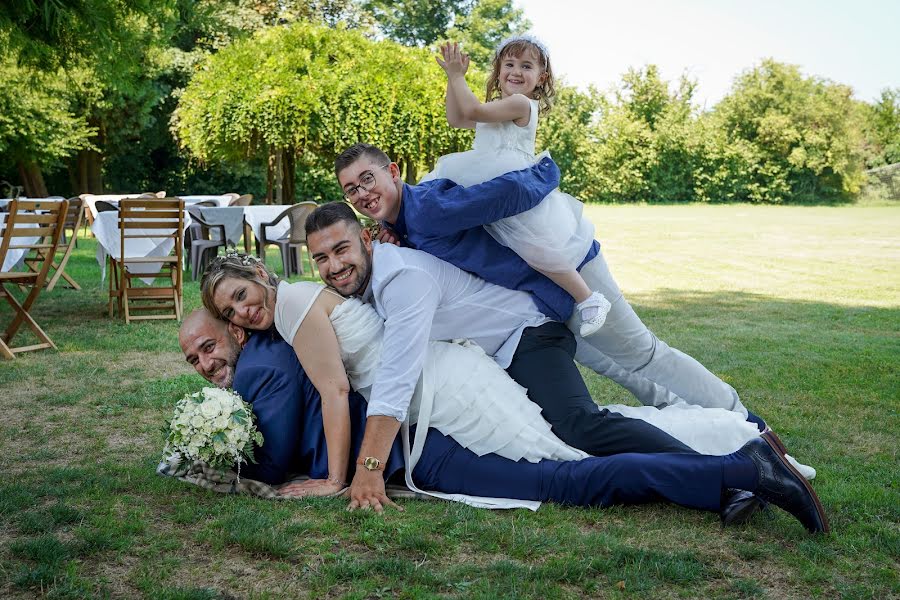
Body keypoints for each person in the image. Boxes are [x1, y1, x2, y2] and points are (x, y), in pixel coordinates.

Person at [177, 309, 829, 533]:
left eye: (208, 348)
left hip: (421, 448)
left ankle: (746, 469)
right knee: (574, 467)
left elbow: (268, 459)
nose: (205, 364)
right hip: (422, 429)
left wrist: (215, 446)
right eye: (193, 361)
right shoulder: (264, 347)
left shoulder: (264, 366)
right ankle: (735, 472)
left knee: (572, 480)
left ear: (235, 330)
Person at [335, 141, 754, 423]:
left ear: (391, 171)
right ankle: (700, 420)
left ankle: (744, 419)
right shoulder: (408, 221)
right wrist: (398, 235)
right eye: (351, 190)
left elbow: (503, 192)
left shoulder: (426, 209)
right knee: (610, 362)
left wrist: (545, 171)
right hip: (543, 292)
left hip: (570, 269)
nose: (362, 194)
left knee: (643, 354)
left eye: (367, 179)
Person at [427, 38, 609, 337]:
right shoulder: (499, 106)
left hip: (512, 190)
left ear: (541, 77)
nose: (516, 71)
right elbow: (458, 118)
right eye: (509, 64)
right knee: (514, 251)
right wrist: (451, 78)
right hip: (492, 188)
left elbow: (471, 111)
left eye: (526, 66)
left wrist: (459, 76)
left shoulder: (521, 103)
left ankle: (589, 298)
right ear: (498, 71)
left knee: (536, 250)